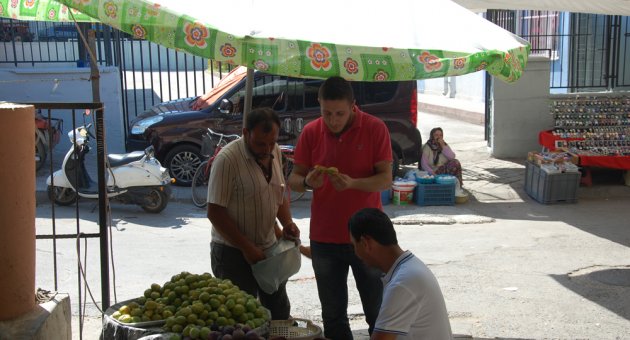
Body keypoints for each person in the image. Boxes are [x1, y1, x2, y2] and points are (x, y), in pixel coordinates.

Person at [289, 76, 393, 339]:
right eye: (326, 113)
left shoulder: (375, 128)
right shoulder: (312, 132)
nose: (333, 120)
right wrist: (307, 182)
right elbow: (294, 179)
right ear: (319, 105)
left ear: (353, 106)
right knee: (333, 314)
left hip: (367, 237)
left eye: (339, 113)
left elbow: (385, 179)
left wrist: (353, 183)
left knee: (377, 311)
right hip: (325, 238)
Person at [206, 107, 300, 320]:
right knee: (242, 319)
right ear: (246, 133)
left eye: (271, 142)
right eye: (260, 143)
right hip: (232, 253)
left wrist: (287, 223)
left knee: (279, 313)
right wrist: (246, 247)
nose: (266, 149)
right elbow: (215, 212)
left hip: (269, 250)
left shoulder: (274, 152)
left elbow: (278, 191)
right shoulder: (227, 160)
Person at [348, 208, 453, 340]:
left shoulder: (402, 283)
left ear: (365, 243)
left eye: (354, 246)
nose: (355, 253)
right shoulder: (408, 268)